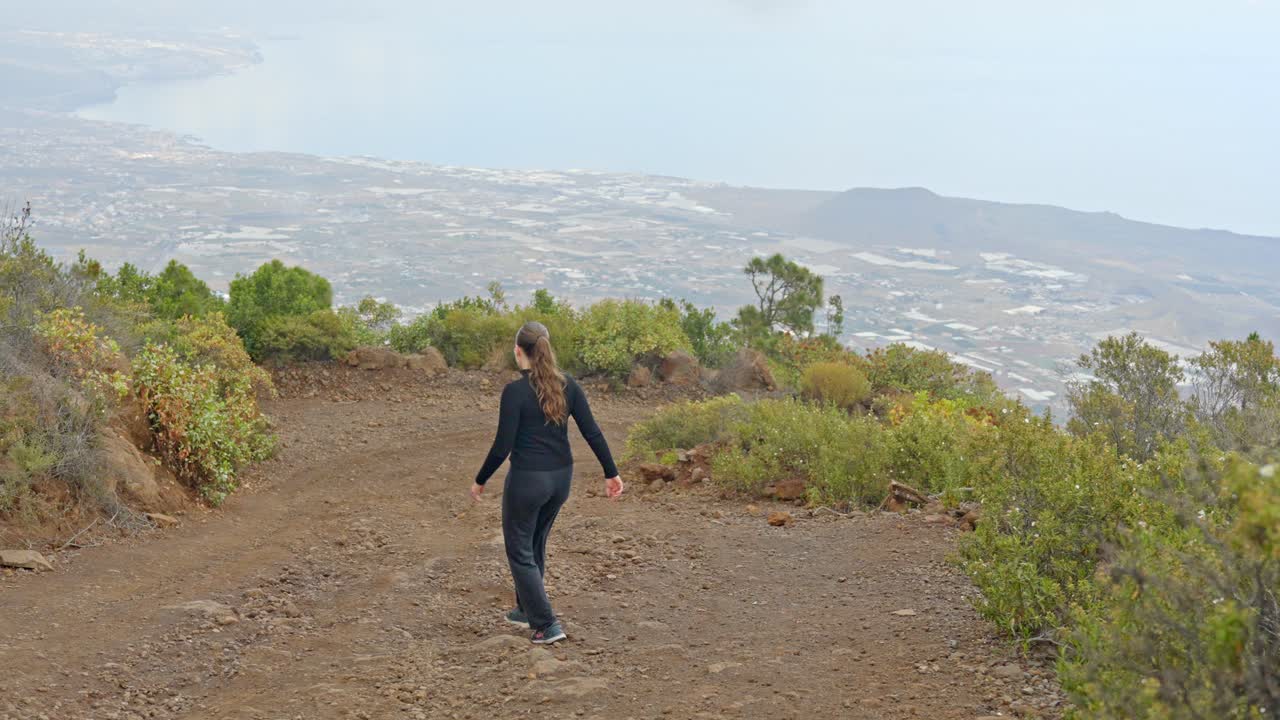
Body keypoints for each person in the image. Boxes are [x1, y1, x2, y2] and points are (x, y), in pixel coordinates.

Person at [471, 321, 625, 644]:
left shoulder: (514, 392)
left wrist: (480, 479)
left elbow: (502, 446)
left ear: (518, 352)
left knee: (519, 549)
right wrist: (611, 472)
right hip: (560, 480)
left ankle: (545, 624)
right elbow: (592, 431)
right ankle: (525, 610)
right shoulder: (568, 385)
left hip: (528, 481)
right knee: (535, 540)